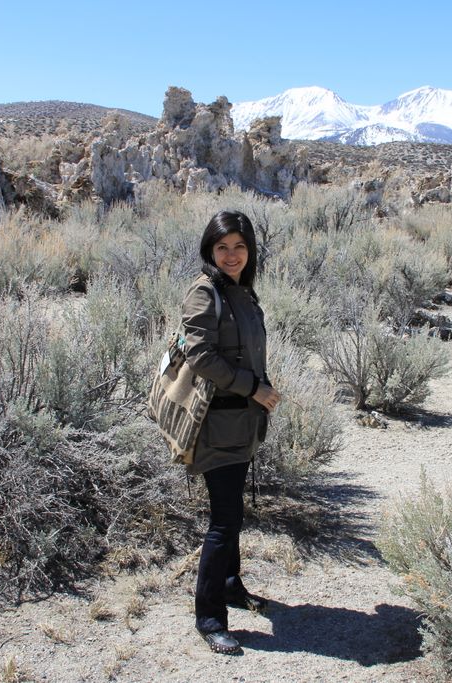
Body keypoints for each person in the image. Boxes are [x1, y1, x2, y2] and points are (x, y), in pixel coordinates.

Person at [180, 210, 281, 655]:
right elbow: (200, 356)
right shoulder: (205, 292)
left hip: (241, 423)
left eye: (240, 246)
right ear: (210, 250)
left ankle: (230, 584)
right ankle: (209, 618)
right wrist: (253, 388)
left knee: (232, 513)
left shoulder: (241, 291)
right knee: (224, 521)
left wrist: (261, 390)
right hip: (217, 426)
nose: (232, 255)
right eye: (222, 247)